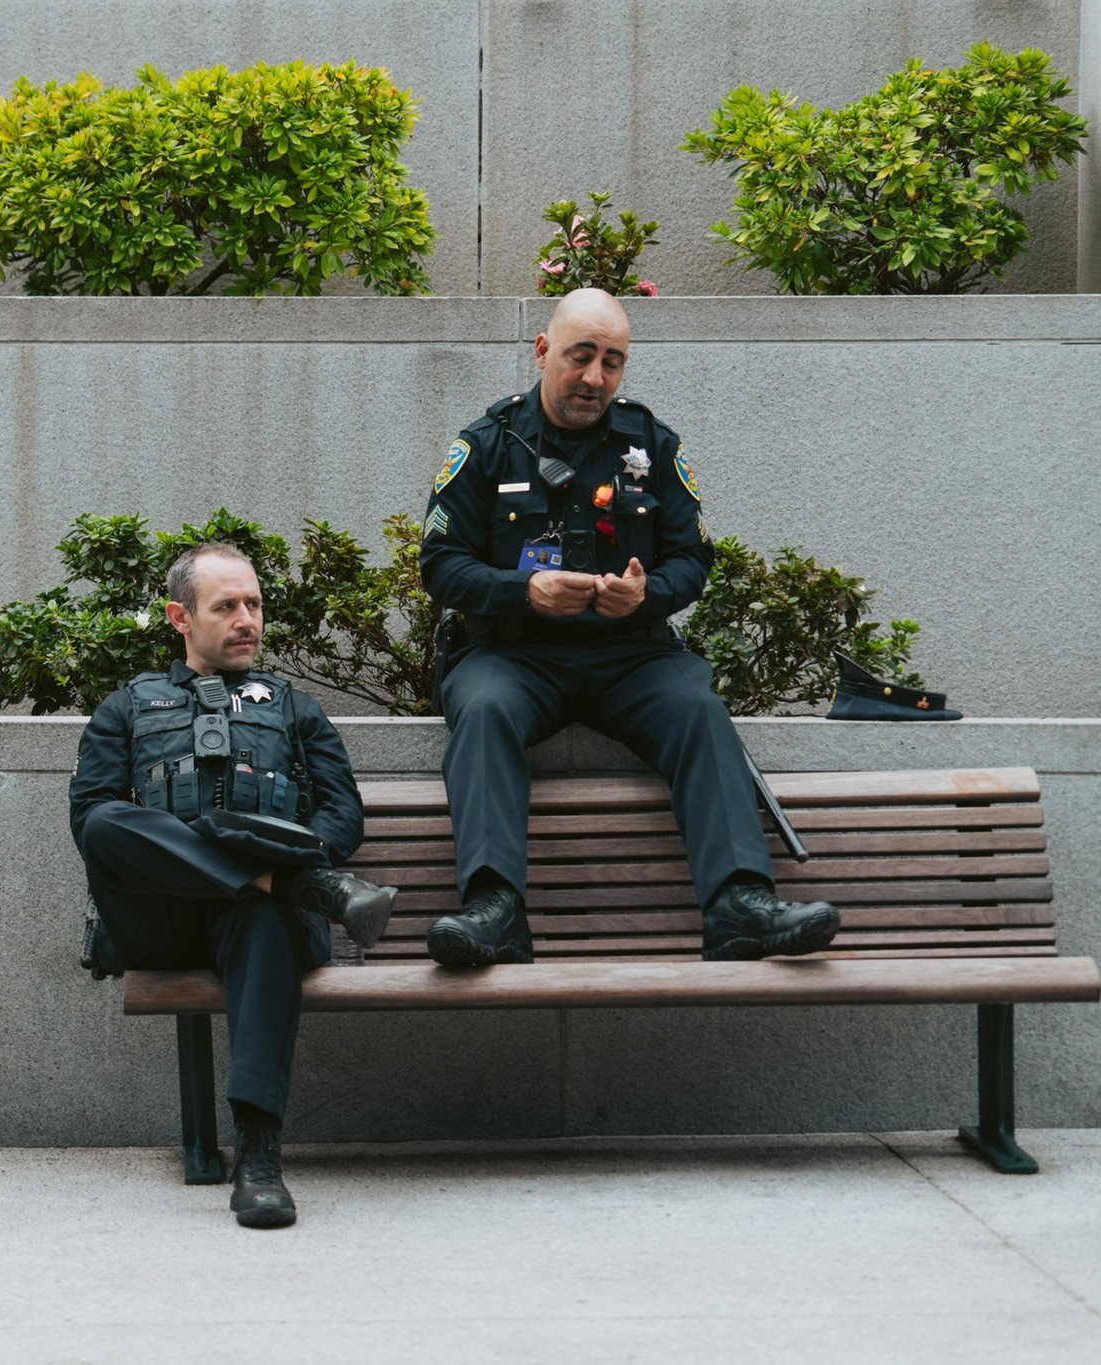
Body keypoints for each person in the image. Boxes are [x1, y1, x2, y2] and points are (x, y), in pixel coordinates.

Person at [417, 288, 836, 967]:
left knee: (698, 707)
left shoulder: (653, 444)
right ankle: (494, 910)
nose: (596, 378)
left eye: (613, 362)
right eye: (582, 357)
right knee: (485, 709)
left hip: (629, 655)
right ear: (543, 350)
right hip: (514, 656)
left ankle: (740, 908)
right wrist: (524, 590)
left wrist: (645, 597)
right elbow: (439, 566)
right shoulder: (486, 446)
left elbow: (693, 561)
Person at [69, 542, 396, 1230]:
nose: (247, 618)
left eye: (254, 604)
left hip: (258, 926)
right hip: (161, 922)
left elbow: (343, 813)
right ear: (179, 617)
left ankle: (258, 1154)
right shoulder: (126, 707)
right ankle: (296, 884)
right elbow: (90, 820)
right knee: (106, 824)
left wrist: (292, 847)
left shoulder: (294, 709)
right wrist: (274, 869)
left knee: (262, 916)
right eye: (227, 606)